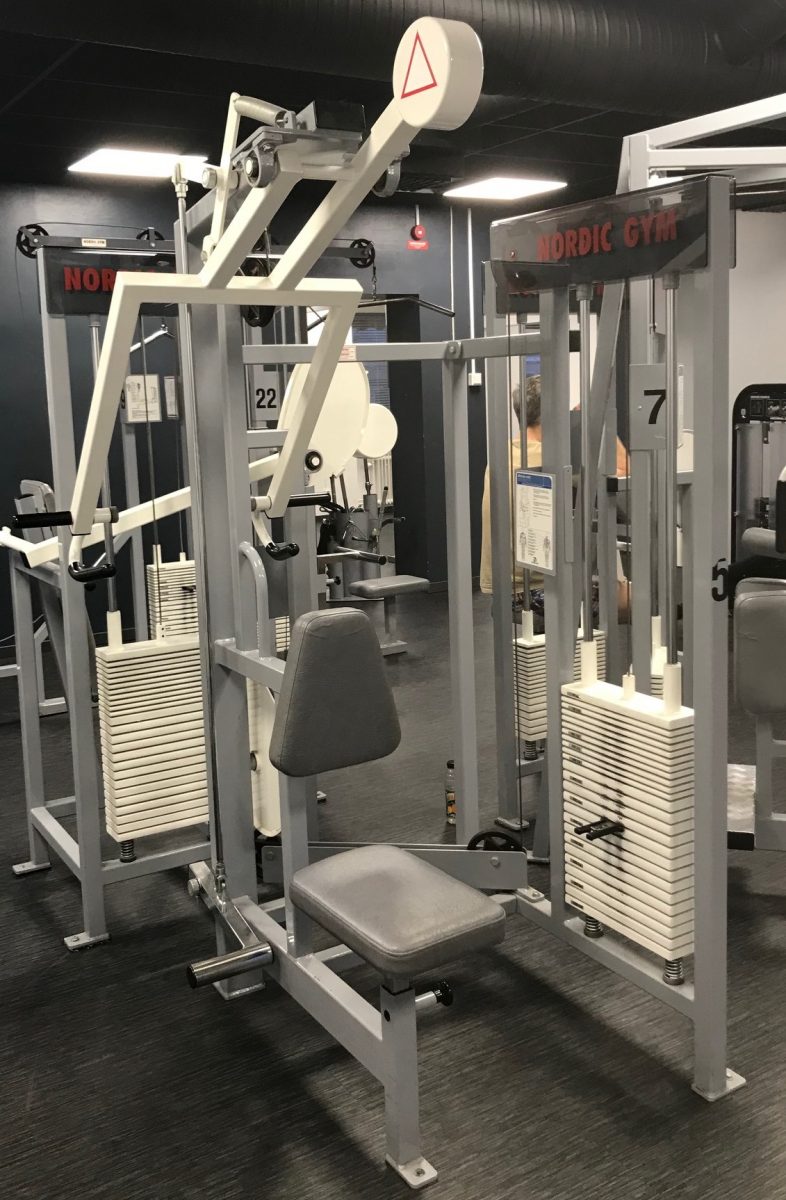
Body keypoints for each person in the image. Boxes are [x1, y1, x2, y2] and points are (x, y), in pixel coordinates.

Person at [480, 374, 629, 616]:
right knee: (647, 597)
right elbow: (625, 471)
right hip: (541, 592)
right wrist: (600, 423)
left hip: (504, 592)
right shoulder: (555, 459)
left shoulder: (501, 454)